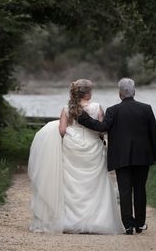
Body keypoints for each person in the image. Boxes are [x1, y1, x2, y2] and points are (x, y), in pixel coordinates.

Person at [28, 79, 123, 234]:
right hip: (92, 147)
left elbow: (62, 130)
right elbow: (101, 129)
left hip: (72, 146)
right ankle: (96, 221)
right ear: (87, 93)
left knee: (71, 185)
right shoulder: (96, 107)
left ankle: (69, 221)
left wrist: (74, 134)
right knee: (94, 184)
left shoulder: (66, 109)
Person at [77, 77, 156, 235]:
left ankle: (128, 225)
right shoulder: (146, 108)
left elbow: (103, 127)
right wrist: (154, 155)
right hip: (143, 157)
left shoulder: (113, 110)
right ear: (133, 92)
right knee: (140, 189)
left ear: (120, 93)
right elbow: (154, 135)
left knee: (125, 190)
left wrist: (84, 119)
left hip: (121, 157)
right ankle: (140, 224)